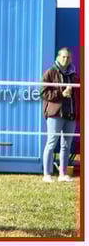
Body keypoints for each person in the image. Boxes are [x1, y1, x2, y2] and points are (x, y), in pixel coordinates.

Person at [40, 47, 79, 182]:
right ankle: (47, 174)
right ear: (58, 57)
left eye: (68, 57)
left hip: (70, 114)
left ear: (71, 59)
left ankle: (63, 174)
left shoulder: (74, 75)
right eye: (63, 57)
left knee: (66, 145)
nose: (65, 59)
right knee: (51, 143)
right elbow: (44, 92)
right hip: (55, 114)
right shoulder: (50, 72)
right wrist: (61, 94)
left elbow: (79, 94)